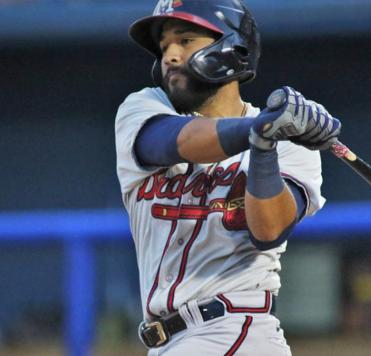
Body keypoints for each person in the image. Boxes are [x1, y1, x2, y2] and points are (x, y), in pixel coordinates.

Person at [115, 0, 341, 354]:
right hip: (169, 341)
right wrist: (261, 128)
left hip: (235, 329)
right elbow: (177, 141)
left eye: (186, 40)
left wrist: (264, 145)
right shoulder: (142, 108)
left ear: (233, 48)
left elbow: (267, 230)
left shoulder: (289, 144)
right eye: (164, 47)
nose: (170, 56)